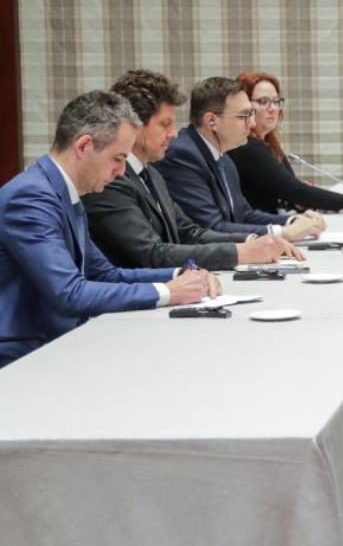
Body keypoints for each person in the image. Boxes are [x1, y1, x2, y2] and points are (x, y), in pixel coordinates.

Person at [0, 91, 217, 368]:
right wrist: (168, 291)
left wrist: (183, 274)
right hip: (22, 355)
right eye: (118, 158)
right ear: (84, 146)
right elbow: (70, 293)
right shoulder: (30, 197)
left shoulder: (63, 192)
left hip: (58, 341)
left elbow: (105, 273)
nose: (121, 171)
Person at [83, 70, 304, 270]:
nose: (173, 133)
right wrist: (240, 252)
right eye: (165, 124)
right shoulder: (111, 180)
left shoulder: (151, 174)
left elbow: (190, 233)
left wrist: (252, 242)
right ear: (135, 126)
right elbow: (151, 254)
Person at [155, 77, 325, 240]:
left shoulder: (224, 158)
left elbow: (243, 214)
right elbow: (210, 227)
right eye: (244, 116)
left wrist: (292, 221)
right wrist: (282, 232)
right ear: (212, 121)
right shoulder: (182, 156)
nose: (251, 124)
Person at [227, 71, 343, 214]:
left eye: (276, 101)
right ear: (245, 106)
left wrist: (297, 203)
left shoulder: (268, 143)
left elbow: (286, 192)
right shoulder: (249, 147)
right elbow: (296, 191)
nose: (272, 108)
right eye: (263, 101)